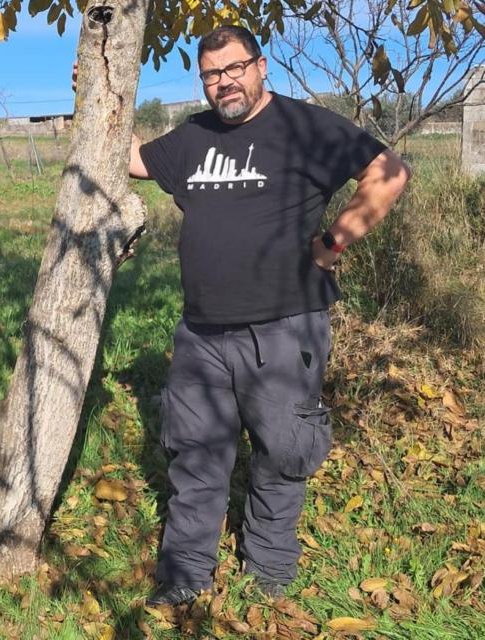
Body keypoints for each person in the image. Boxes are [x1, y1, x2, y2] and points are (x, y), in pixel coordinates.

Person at [129, 26, 411, 605]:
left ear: (260, 66)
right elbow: (131, 157)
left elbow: (389, 174)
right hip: (202, 330)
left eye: (233, 69)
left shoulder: (305, 127)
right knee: (196, 454)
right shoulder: (194, 135)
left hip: (285, 326)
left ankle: (269, 573)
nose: (222, 82)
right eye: (210, 74)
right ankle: (185, 577)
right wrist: (95, 100)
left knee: (284, 452)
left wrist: (333, 241)